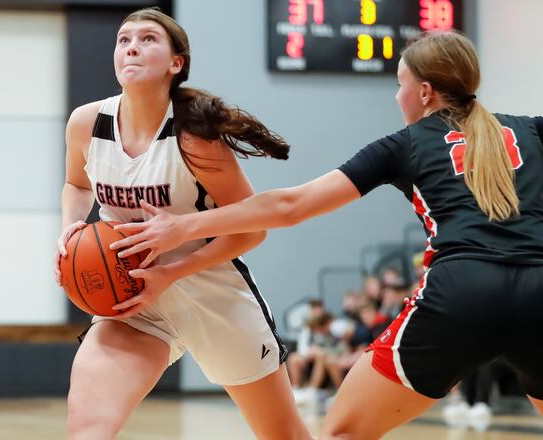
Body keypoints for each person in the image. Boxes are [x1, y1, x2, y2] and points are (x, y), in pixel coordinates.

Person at [111, 30, 543, 439]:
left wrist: (183, 225)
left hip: (461, 290)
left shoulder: (405, 143)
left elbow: (289, 206)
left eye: (400, 85)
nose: (398, 97)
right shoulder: (532, 130)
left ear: (424, 92)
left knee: (342, 431)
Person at [53, 8, 310, 440]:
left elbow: (252, 228)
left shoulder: (193, 138)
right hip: (131, 299)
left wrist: (171, 270)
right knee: (87, 429)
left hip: (211, 293)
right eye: (123, 39)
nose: (131, 45)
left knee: (284, 435)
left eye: (148, 38)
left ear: (177, 63)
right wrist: (71, 226)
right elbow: (75, 184)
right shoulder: (87, 123)